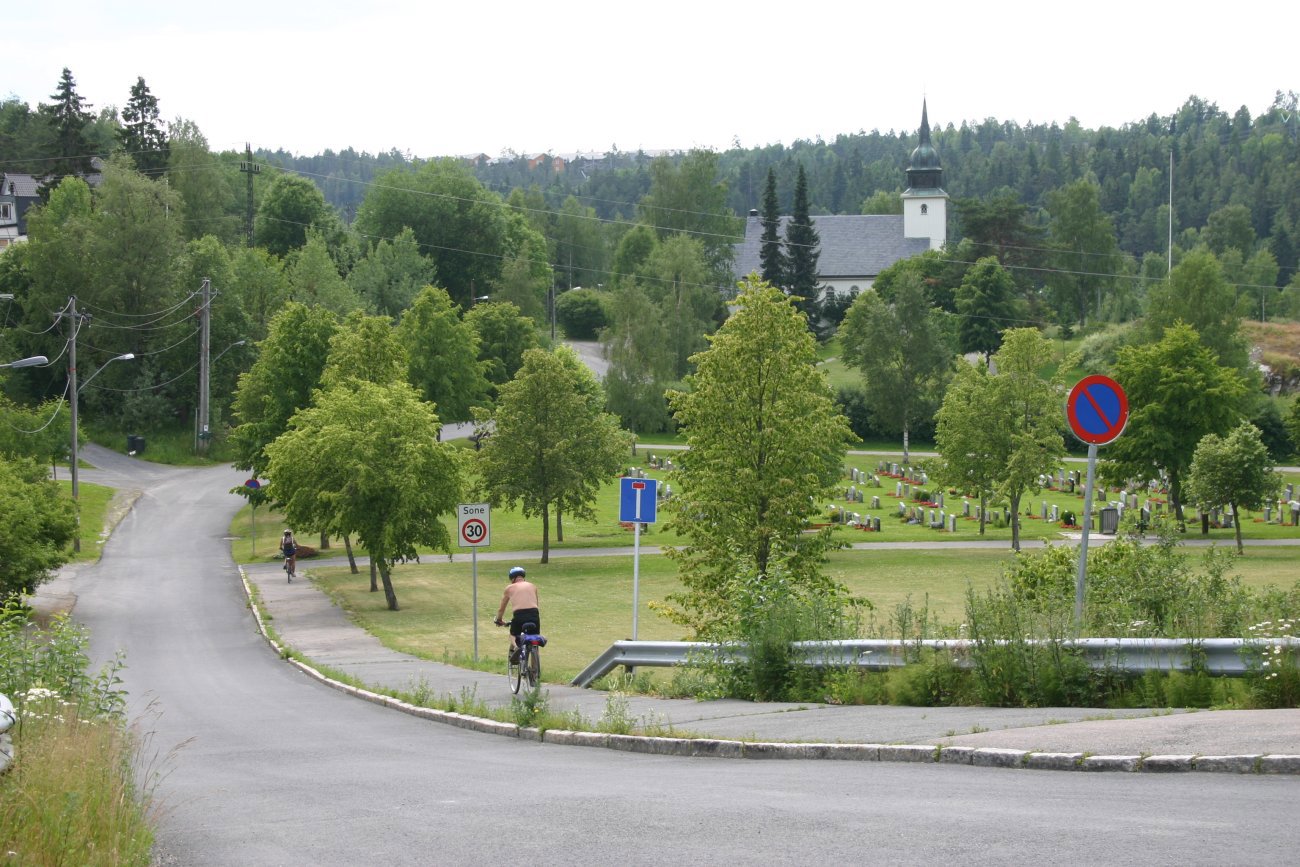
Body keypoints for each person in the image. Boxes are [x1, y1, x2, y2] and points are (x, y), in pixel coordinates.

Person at [494, 566, 539, 663]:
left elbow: (502, 608)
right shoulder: (532, 586)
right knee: (534, 640)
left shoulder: (509, 588)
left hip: (519, 615)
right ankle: (535, 672)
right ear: (523, 577)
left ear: (512, 578)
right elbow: (536, 604)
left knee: (513, 635)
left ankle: (516, 647)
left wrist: (499, 620)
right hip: (534, 614)